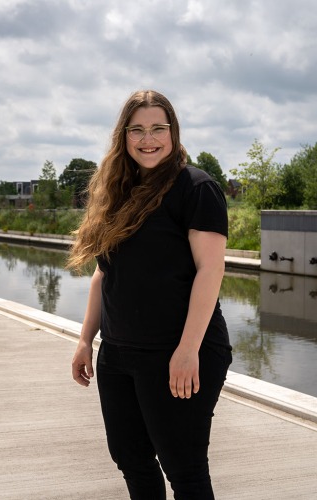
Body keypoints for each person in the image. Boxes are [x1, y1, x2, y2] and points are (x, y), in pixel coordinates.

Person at [68, 90, 232, 499]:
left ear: (173, 133)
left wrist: (188, 349)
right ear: (123, 137)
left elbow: (211, 270)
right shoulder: (117, 193)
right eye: (137, 130)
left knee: (184, 469)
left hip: (178, 351)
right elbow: (103, 275)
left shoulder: (196, 188)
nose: (148, 139)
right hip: (119, 354)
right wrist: (86, 340)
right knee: (131, 460)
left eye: (158, 128)